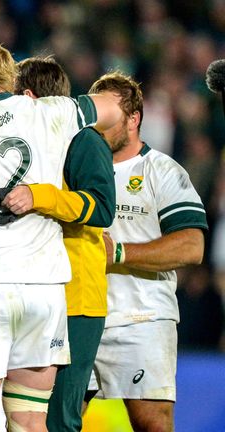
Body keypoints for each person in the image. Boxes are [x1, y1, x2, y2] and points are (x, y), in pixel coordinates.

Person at [0, 40, 122, 432]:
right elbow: (111, 106)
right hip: (45, 291)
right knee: (32, 423)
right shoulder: (50, 111)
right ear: (10, 79)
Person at [85, 72, 207, 432]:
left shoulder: (162, 171)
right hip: (80, 317)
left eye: (108, 114)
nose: (99, 122)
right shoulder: (76, 169)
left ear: (133, 119)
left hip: (141, 319)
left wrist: (119, 252)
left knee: (152, 424)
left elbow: (192, 245)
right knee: (58, 421)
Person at [5, 56, 116, 432]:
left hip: (77, 300)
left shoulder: (84, 139)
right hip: (40, 293)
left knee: (59, 420)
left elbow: (102, 208)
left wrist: (41, 196)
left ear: (30, 97)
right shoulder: (31, 146)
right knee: (25, 416)